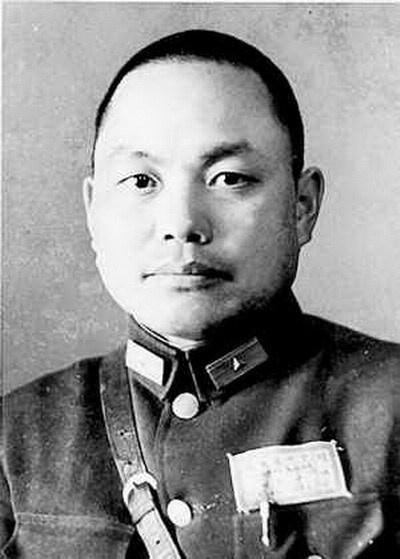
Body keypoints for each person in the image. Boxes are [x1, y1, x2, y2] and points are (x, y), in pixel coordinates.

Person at [1, 29, 399, 559]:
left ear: (302, 206)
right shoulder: (15, 438)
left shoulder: (390, 406)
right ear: (94, 211)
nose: (183, 224)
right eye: (141, 181)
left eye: (229, 178)